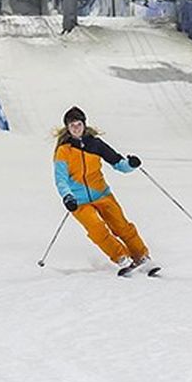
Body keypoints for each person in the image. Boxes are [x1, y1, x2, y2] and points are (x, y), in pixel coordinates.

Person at [53, 106, 154, 275]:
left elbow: (118, 163)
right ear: (67, 128)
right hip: (78, 201)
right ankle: (122, 258)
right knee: (97, 229)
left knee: (122, 226)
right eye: (72, 126)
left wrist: (130, 164)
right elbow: (60, 179)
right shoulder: (64, 150)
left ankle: (142, 256)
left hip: (102, 194)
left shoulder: (96, 144)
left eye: (78, 124)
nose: (76, 128)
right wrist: (68, 196)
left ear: (84, 124)